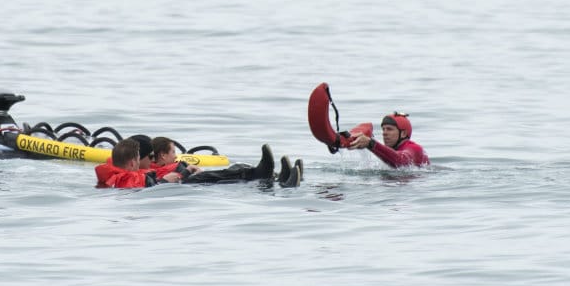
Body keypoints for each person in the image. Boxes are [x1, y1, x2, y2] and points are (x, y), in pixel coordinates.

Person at [96, 139, 302, 188]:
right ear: (132, 161)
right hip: (180, 187)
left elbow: (148, 178)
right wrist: (182, 175)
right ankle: (262, 175)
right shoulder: (121, 178)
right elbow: (149, 181)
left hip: (176, 187)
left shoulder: (116, 175)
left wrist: (180, 172)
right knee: (211, 177)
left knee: (220, 174)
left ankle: (272, 176)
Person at [349, 112, 429, 168]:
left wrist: (371, 143)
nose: (384, 133)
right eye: (383, 129)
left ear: (403, 133)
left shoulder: (414, 148)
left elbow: (401, 161)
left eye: (389, 129)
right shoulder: (391, 152)